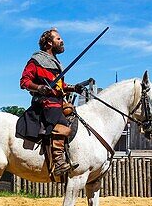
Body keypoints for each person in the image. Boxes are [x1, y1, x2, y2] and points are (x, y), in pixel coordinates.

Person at [16, 28, 94, 182]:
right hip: (46, 103)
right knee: (60, 120)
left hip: (59, 101)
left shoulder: (56, 63)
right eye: (58, 39)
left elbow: (60, 86)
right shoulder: (36, 61)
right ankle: (58, 161)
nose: (62, 41)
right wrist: (39, 88)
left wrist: (73, 88)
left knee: (70, 112)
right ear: (49, 43)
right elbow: (24, 81)